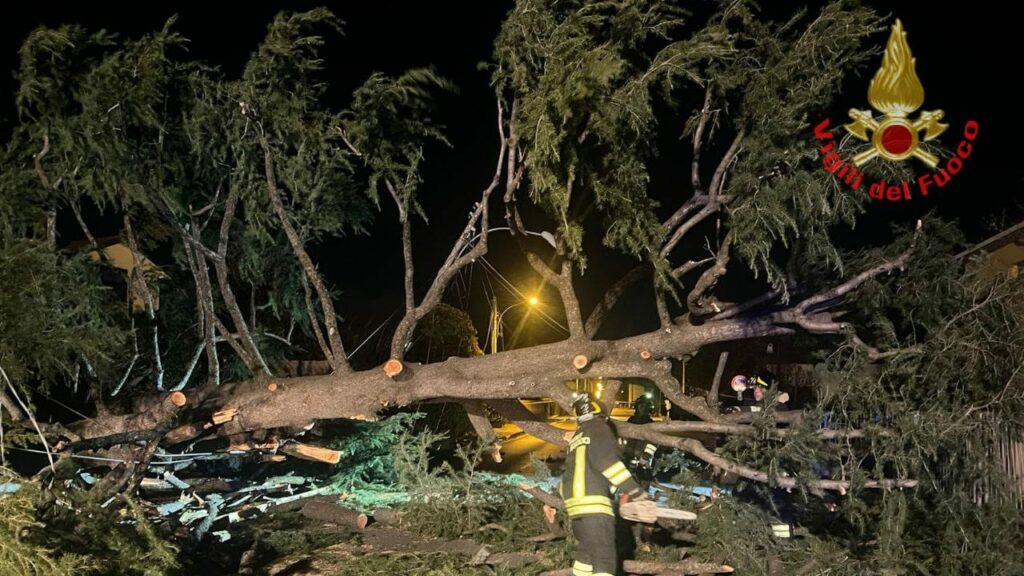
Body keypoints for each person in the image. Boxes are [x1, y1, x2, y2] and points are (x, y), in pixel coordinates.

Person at [560, 391, 646, 576]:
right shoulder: (599, 429)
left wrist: (616, 492)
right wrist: (637, 493)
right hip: (595, 508)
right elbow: (609, 465)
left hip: (576, 511)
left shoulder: (576, 438)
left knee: (586, 556)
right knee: (604, 561)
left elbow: (575, 473)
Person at [621, 394, 658, 552]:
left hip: (643, 467)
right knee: (627, 497)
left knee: (642, 497)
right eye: (639, 406)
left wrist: (645, 458)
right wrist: (625, 457)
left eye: (644, 406)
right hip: (629, 463)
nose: (641, 409)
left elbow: (653, 443)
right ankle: (627, 531)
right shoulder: (630, 421)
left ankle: (644, 537)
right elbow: (624, 440)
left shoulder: (651, 425)